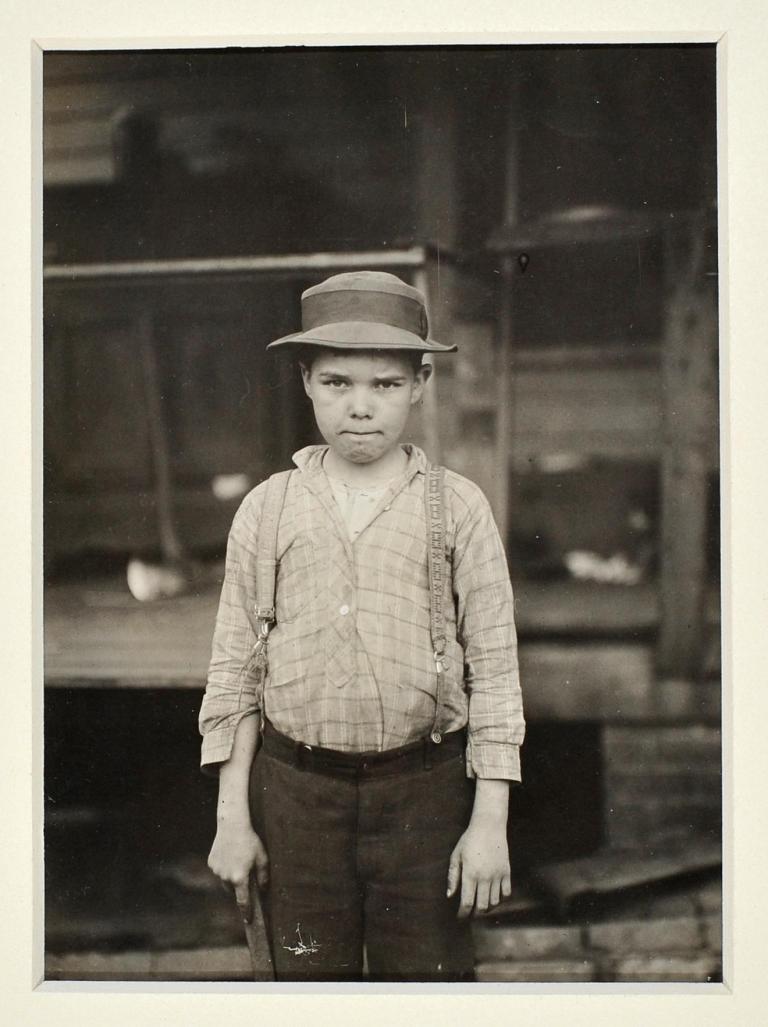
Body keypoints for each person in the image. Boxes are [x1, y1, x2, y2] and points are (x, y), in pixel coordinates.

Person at [199, 270, 525, 981]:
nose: (361, 407)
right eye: (339, 382)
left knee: (427, 988)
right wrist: (234, 818)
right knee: (312, 986)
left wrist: (489, 822)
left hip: (425, 794)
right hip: (296, 797)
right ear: (307, 381)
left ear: (419, 383)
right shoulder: (268, 509)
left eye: (384, 384)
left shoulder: (458, 507)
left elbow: (495, 670)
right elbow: (235, 673)